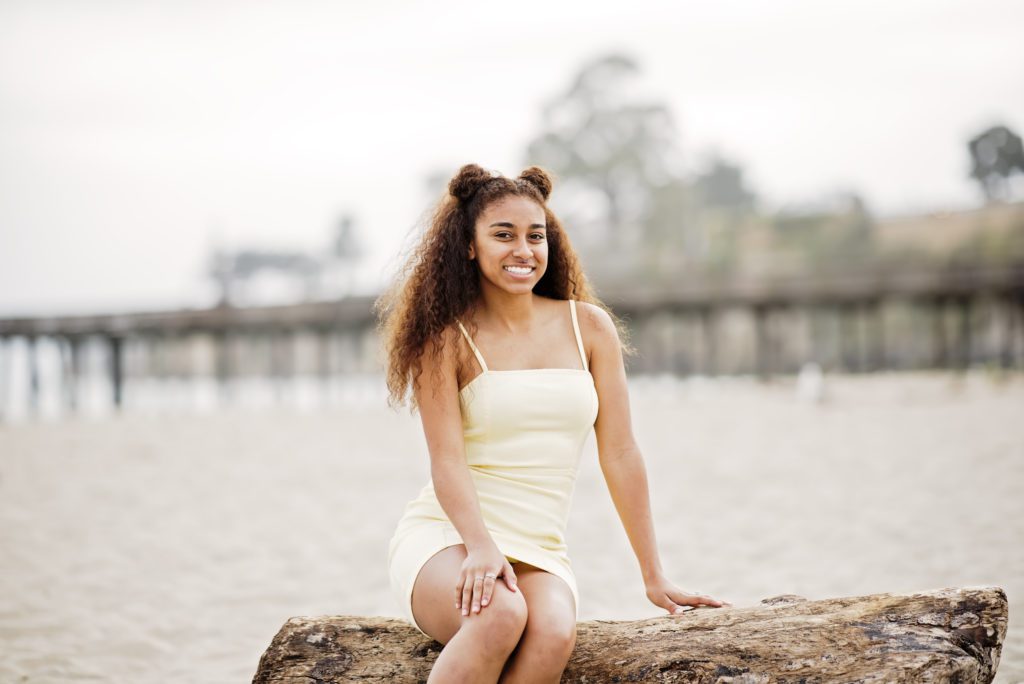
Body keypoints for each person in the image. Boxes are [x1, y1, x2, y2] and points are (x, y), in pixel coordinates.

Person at [375, 163, 729, 683]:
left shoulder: (589, 326)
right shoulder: (447, 340)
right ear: (468, 246)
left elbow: (621, 453)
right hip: (450, 539)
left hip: (541, 549)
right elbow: (446, 460)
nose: (523, 250)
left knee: (554, 633)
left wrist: (654, 575)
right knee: (499, 614)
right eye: (503, 235)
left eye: (535, 236)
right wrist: (480, 546)